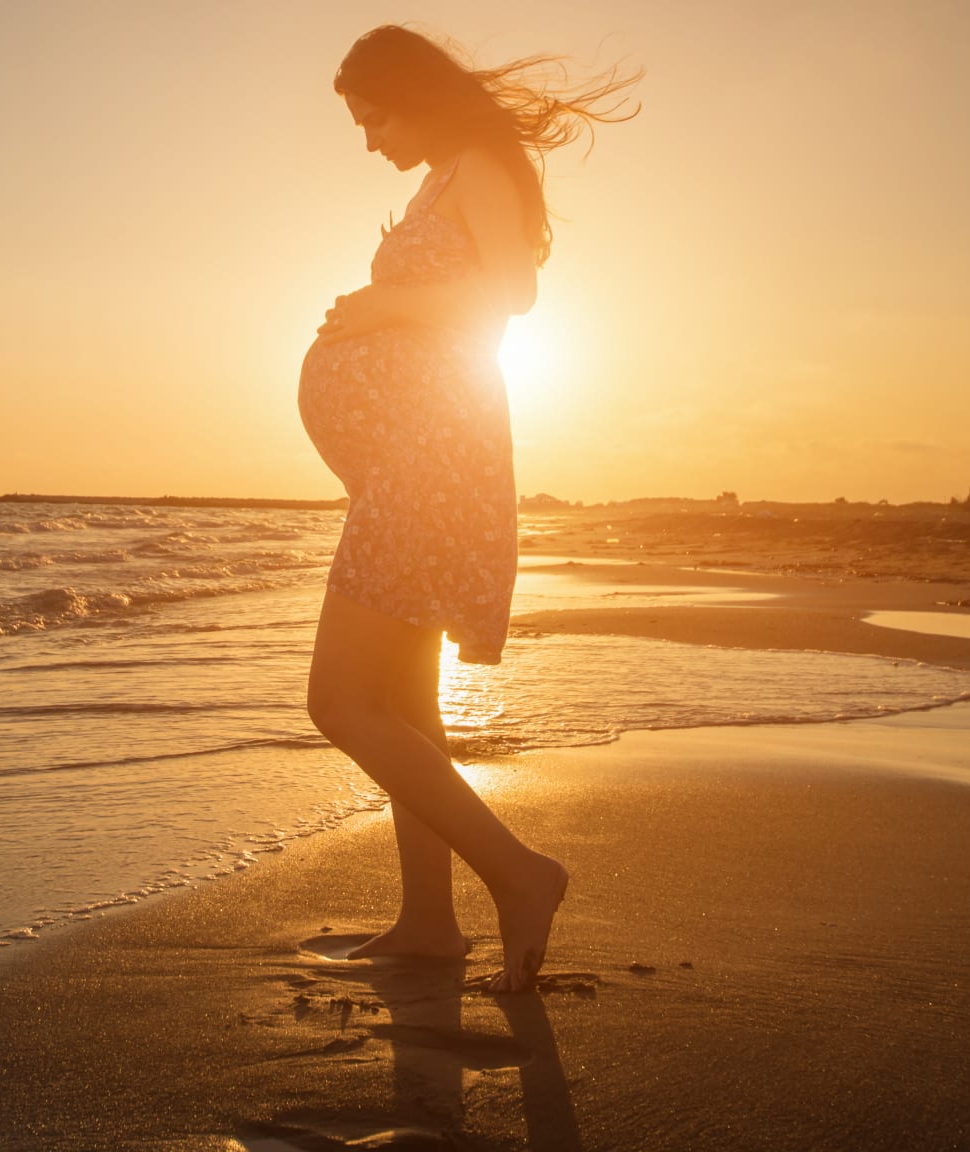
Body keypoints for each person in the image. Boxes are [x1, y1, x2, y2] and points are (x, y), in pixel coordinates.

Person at [297, 24, 639, 993]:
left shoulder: (478, 164)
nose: (366, 139)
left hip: (430, 461)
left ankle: (518, 875)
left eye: (373, 115)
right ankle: (427, 922)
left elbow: (512, 293)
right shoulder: (439, 176)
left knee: (337, 701)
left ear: (414, 94)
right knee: (403, 703)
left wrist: (378, 309)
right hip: (409, 461)